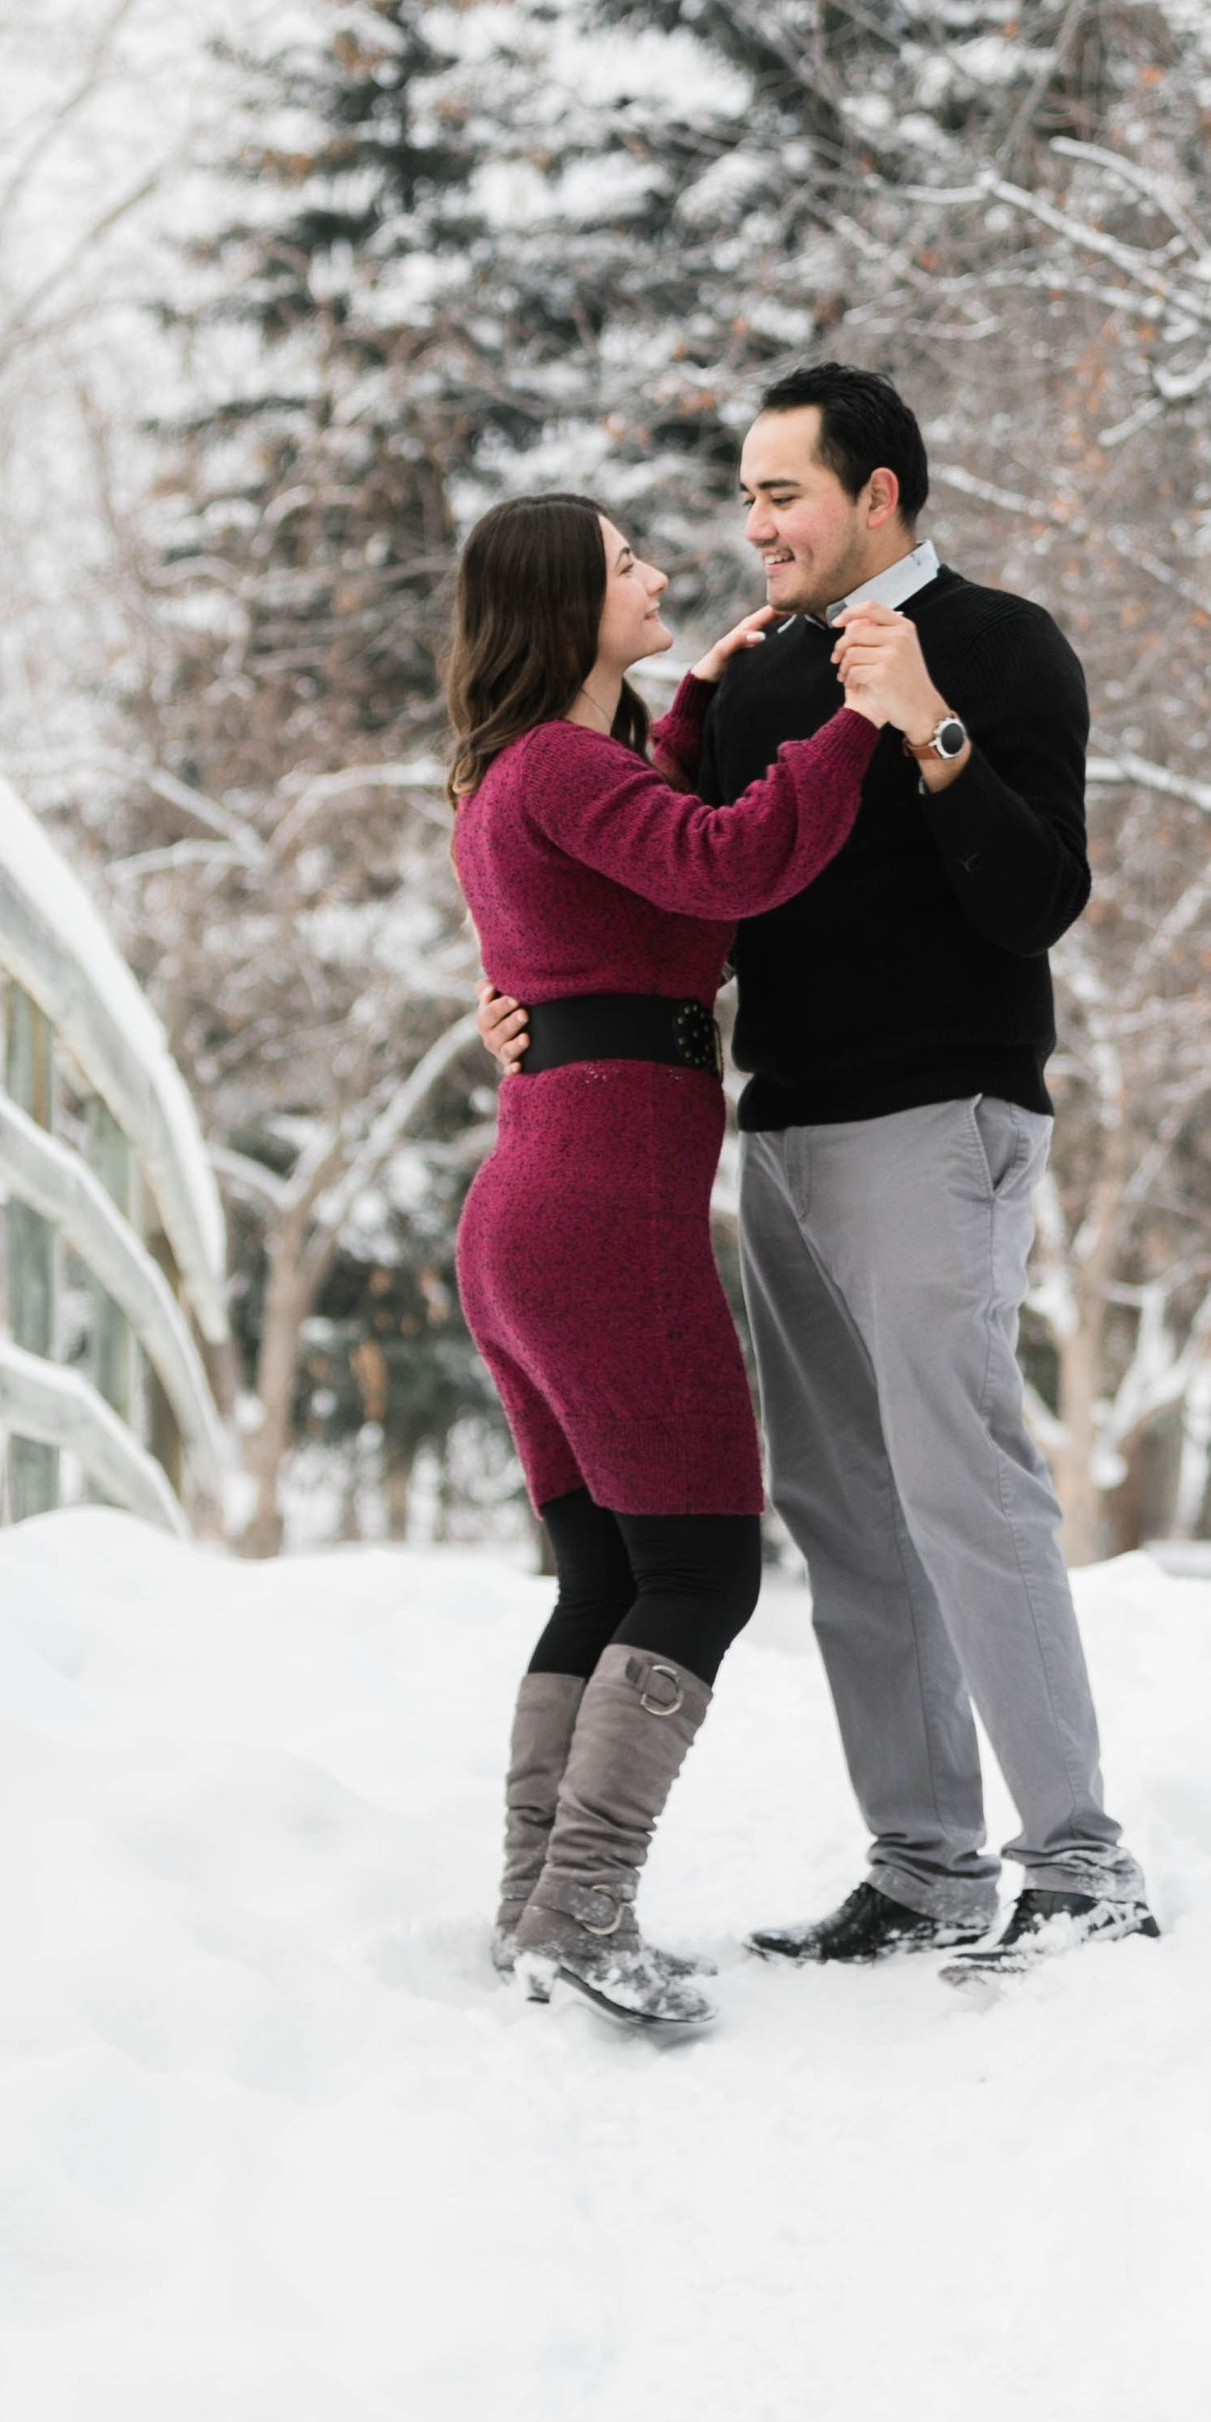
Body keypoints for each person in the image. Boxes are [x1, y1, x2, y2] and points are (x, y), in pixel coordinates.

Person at [480, 366, 1157, 1979]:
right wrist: (542, 1007)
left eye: (783, 493)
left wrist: (928, 726)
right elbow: (679, 892)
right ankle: (923, 1869)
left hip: (941, 1116)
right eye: (743, 499)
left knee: (960, 1477)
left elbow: (1035, 899)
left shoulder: (1003, 648)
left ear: (880, 497)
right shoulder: (773, 679)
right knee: (845, 1509)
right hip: (780, 1126)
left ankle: (1077, 1863)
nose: (755, 526)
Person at [446, 490, 886, 2034]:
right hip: (602, 1225)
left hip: (531, 1216)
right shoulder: (564, 768)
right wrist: (855, 724)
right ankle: (582, 1909)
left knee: (611, 1572)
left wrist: (695, 698)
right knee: (700, 1568)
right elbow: (723, 864)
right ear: (564, 605)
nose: (656, 576)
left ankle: (534, 1902)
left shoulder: (529, 774)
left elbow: (627, 864)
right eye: (625, 565)